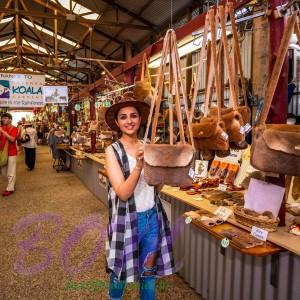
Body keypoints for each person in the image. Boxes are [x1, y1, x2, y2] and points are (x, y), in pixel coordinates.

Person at [105, 96, 175, 300]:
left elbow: (155, 187)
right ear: (117, 123)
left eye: (133, 116)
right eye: (123, 117)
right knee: (119, 272)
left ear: (140, 119)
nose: (129, 121)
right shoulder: (112, 151)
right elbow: (124, 193)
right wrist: (138, 166)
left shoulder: (148, 146)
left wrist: (164, 169)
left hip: (152, 217)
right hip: (125, 219)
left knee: (149, 273)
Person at [0, 113, 19, 196]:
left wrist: (3, 131)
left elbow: (12, 139)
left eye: (5, 118)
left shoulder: (15, 128)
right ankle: (11, 183)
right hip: (2, 153)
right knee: (3, 171)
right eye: (2, 118)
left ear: (10, 119)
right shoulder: (1, 128)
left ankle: (10, 188)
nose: (3, 119)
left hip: (12, 152)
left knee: (11, 171)